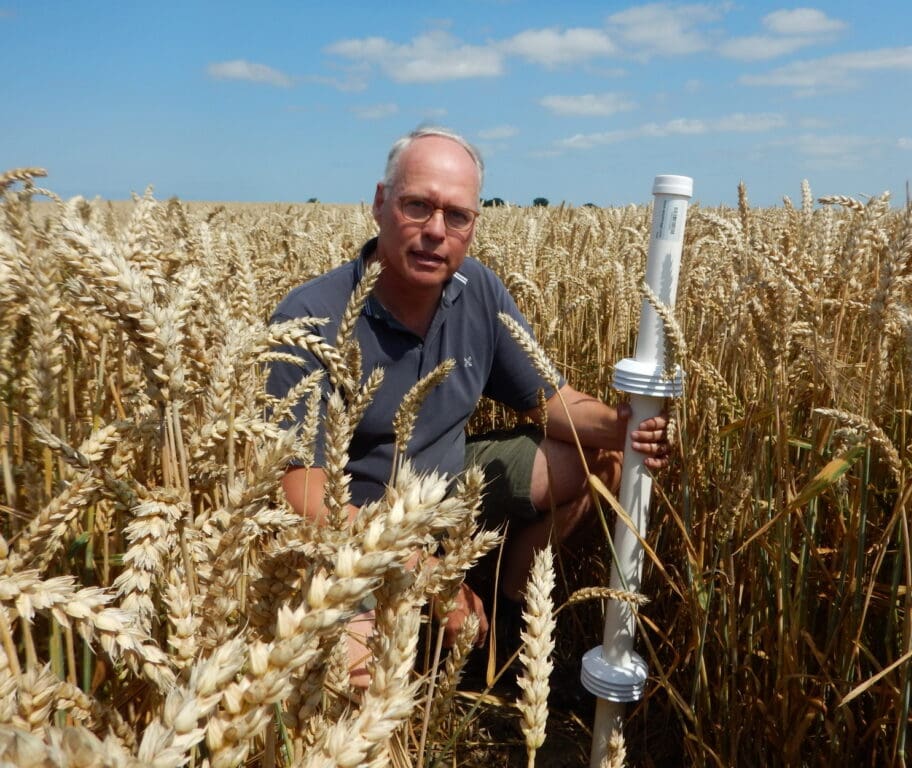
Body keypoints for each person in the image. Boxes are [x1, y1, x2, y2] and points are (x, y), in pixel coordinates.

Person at [266, 126, 670, 687]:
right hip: (350, 526)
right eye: (417, 206)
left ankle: (498, 630)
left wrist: (623, 427)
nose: (436, 231)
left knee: (597, 462)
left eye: (456, 216)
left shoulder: (475, 288)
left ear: (474, 225)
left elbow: (550, 402)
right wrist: (424, 574)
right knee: (355, 671)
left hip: (449, 492)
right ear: (380, 203)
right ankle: (427, 636)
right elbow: (299, 491)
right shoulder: (309, 317)